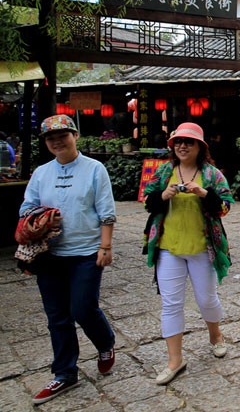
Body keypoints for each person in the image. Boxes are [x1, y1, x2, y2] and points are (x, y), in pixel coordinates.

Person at [20, 115, 117, 405]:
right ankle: (64, 373)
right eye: (51, 138)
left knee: (83, 308)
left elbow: (106, 210)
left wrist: (106, 246)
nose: (57, 141)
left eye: (63, 135)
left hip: (86, 252)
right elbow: (27, 206)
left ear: (75, 136)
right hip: (49, 254)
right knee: (57, 316)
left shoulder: (94, 169)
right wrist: (39, 218)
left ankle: (105, 343)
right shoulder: (41, 173)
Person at [142, 122, 235, 386]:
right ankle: (175, 360)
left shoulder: (212, 174)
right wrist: (164, 195)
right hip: (168, 248)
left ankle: (215, 335)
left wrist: (203, 193)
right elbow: (147, 201)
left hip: (202, 248)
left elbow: (225, 207)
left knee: (206, 299)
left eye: (189, 142)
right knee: (171, 304)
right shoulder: (164, 172)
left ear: (200, 147)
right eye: (178, 142)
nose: (182, 146)